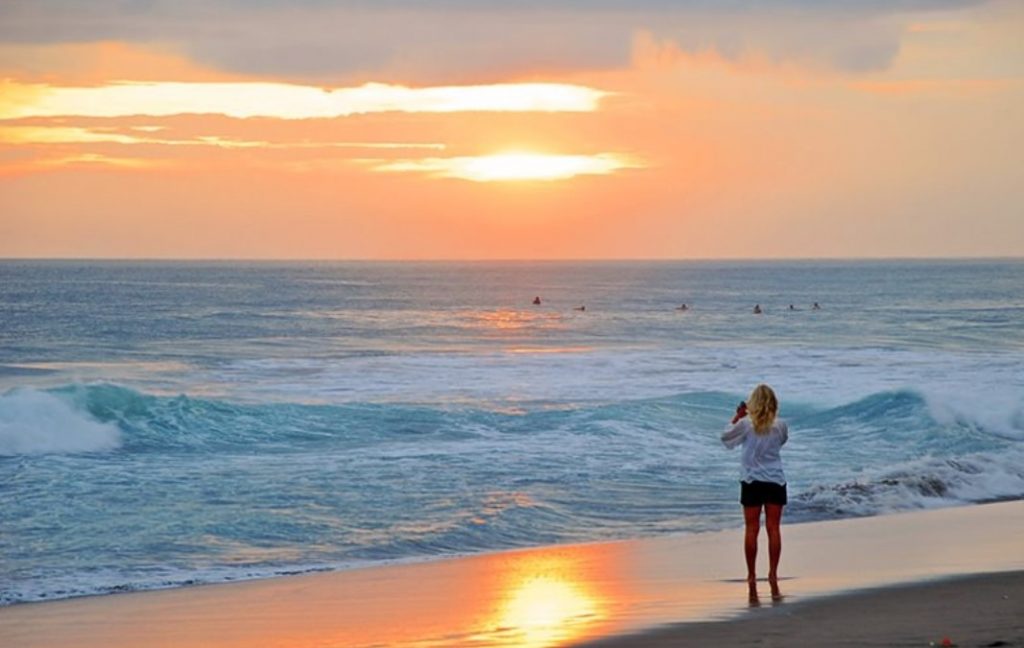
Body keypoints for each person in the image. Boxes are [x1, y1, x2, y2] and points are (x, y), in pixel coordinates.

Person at [721, 384, 788, 600]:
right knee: (774, 529)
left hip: (751, 480)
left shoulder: (745, 425)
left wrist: (737, 416)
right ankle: (773, 574)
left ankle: (751, 575)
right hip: (775, 479)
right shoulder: (780, 425)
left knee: (752, 530)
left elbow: (726, 438)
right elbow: (782, 442)